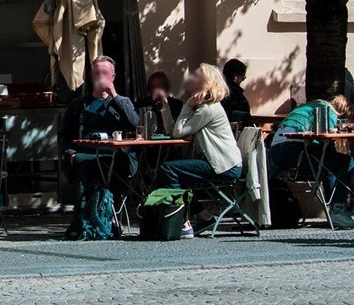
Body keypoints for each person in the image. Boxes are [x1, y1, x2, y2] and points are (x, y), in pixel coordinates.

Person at [159, 64, 246, 236]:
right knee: (173, 173)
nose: (190, 78)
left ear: (206, 82)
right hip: (216, 162)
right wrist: (165, 107)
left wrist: (186, 106)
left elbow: (178, 132)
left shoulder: (209, 108)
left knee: (168, 169)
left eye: (195, 75)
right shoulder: (202, 106)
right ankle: (203, 216)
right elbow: (173, 130)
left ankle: (184, 221)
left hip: (225, 165)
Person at [60, 70, 140, 240]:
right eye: (96, 73)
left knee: (108, 169)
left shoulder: (122, 101)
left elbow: (135, 124)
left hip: (117, 155)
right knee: (89, 166)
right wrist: (71, 154)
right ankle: (98, 218)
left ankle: (98, 217)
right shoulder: (79, 104)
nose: (100, 77)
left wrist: (115, 96)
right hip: (85, 154)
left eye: (105, 73)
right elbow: (64, 134)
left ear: (113, 77)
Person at [267, 94, 354, 230]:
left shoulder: (310, 106)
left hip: (277, 153)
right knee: (346, 161)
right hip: (293, 152)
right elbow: (327, 140)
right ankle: (337, 209)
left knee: (331, 163)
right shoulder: (328, 111)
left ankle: (334, 210)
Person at [138, 70, 177, 135]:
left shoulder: (176, 104)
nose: (156, 90)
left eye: (159, 86)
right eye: (153, 87)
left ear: (165, 87)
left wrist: (163, 101)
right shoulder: (143, 103)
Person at [221, 59, 255, 127]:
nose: (243, 80)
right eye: (243, 77)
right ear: (236, 76)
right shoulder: (234, 93)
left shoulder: (219, 90)